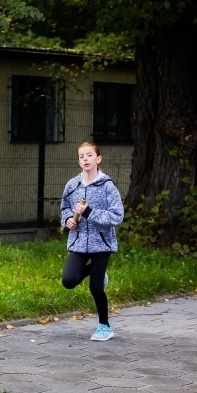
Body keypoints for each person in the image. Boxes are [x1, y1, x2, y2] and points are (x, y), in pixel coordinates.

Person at [60, 141, 124, 341]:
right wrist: (68, 220)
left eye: (89, 155)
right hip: (79, 241)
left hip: (101, 243)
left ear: (98, 159)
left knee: (96, 287)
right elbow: (64, 209)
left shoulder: (107, 186)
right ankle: (98, 273)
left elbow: (117, 216)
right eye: (81, 156)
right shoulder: (72, 185)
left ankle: (104, 326)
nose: (85, 159)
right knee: (68, 281)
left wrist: (90, 212)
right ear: (79, 161)